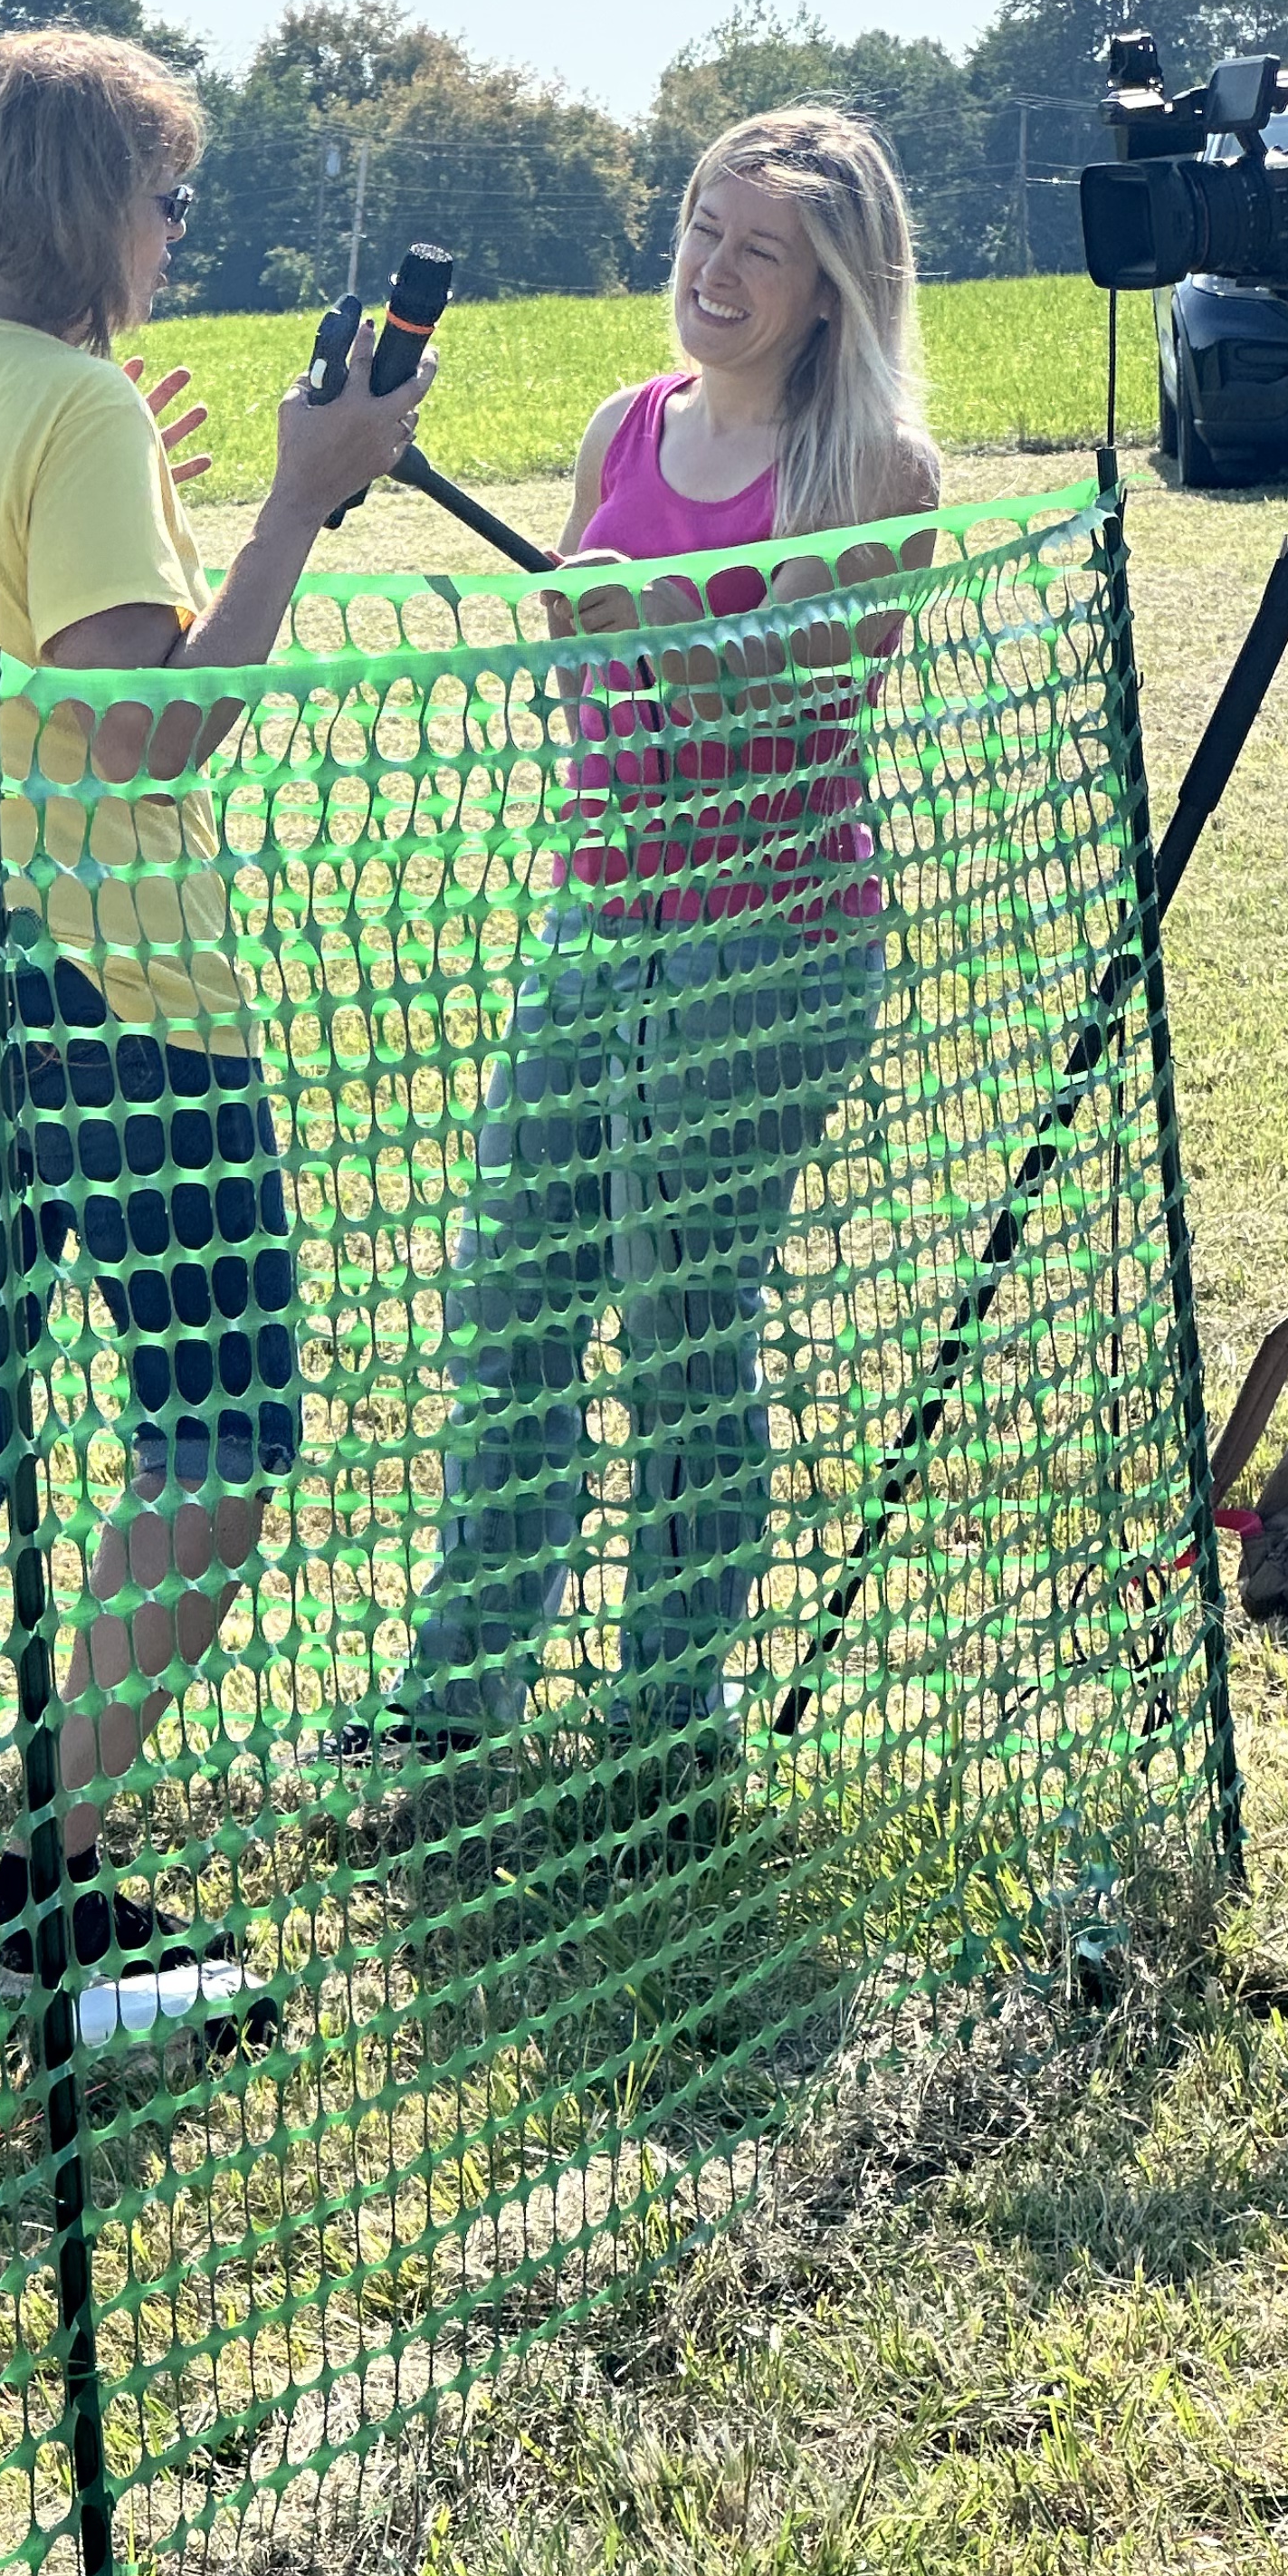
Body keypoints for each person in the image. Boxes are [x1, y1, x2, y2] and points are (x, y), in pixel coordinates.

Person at [0, 24, 433, 2024]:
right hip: (101, 985)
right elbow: (149, 739)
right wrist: (302, 505)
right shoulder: (69, 412)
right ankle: (30, 1875)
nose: (180, 228)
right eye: (172, 196)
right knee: (222, 1420)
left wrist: (118, 474)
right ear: (94, 208)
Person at [339, 104, 942, 1779]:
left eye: (764, 247)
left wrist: (668, 629)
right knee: (515, 1296)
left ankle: (668, 1717)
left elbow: (824, 701)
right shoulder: (624, 427)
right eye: (702, 226)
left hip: (771, 934)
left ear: (833, 285)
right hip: (599, 911)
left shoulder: (873, 468)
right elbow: (585, 673)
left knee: (682, 1317)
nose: (717, 269)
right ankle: (457, 1687)